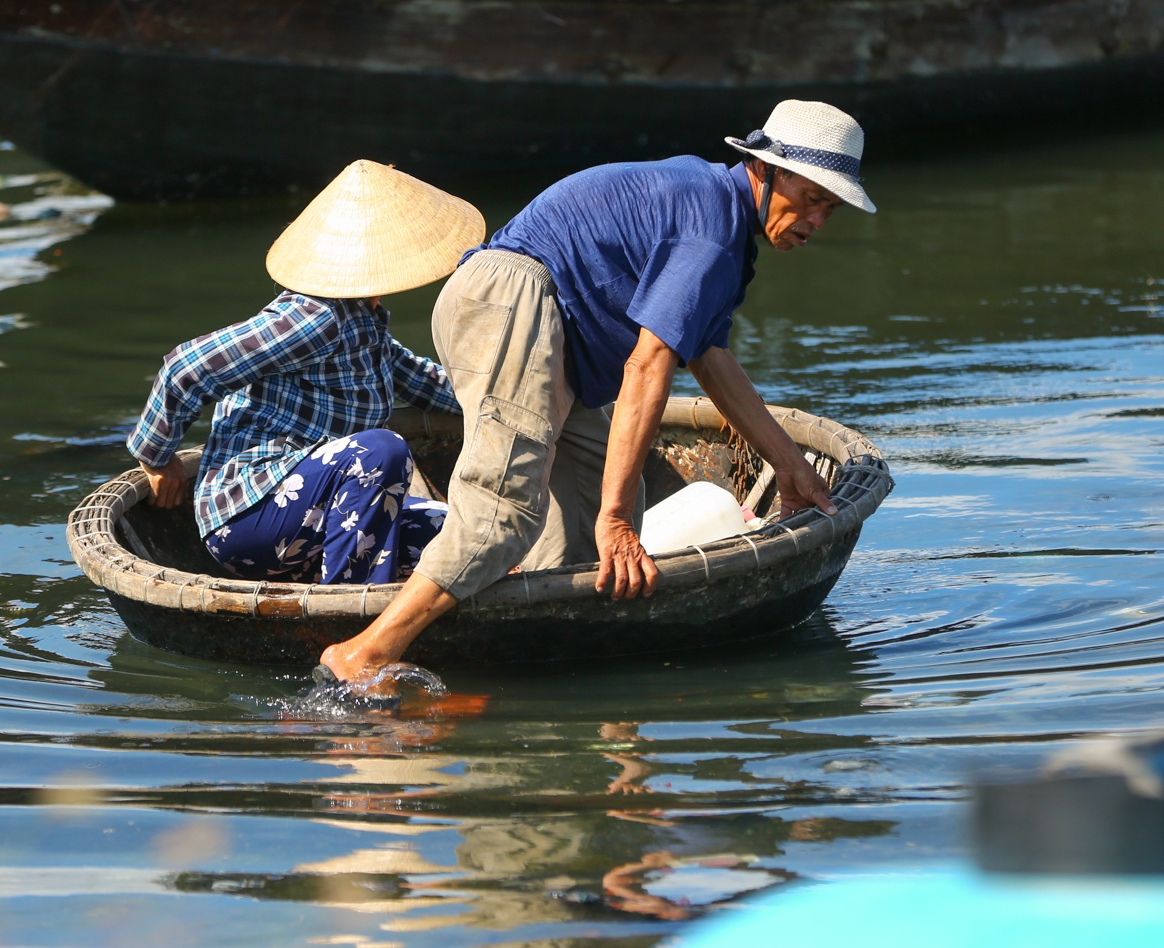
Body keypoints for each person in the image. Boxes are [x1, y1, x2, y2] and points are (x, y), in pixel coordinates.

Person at [321, 100, 876, 682]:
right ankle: (364, 653)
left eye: (829, 209)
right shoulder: (712, 229)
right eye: (812, 198)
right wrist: (617, 523)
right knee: (505, 506)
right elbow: (647, 366)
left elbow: (711, 360)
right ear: (766, 170)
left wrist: (788, 466)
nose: (817, 220)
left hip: (554, 336)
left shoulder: (724, 230)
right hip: (514, 299)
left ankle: (518, 659)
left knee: (592, 525)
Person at [125, 160, 483, 585]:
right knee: (381, 451)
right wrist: (157, 458)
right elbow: (187, 367)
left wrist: (515, 397)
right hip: (253, 514)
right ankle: (353, 607)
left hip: (316, 516)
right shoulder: (315, 316)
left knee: (467, 534)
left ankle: (365, 588)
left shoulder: (365, 320)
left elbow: (427, 382)